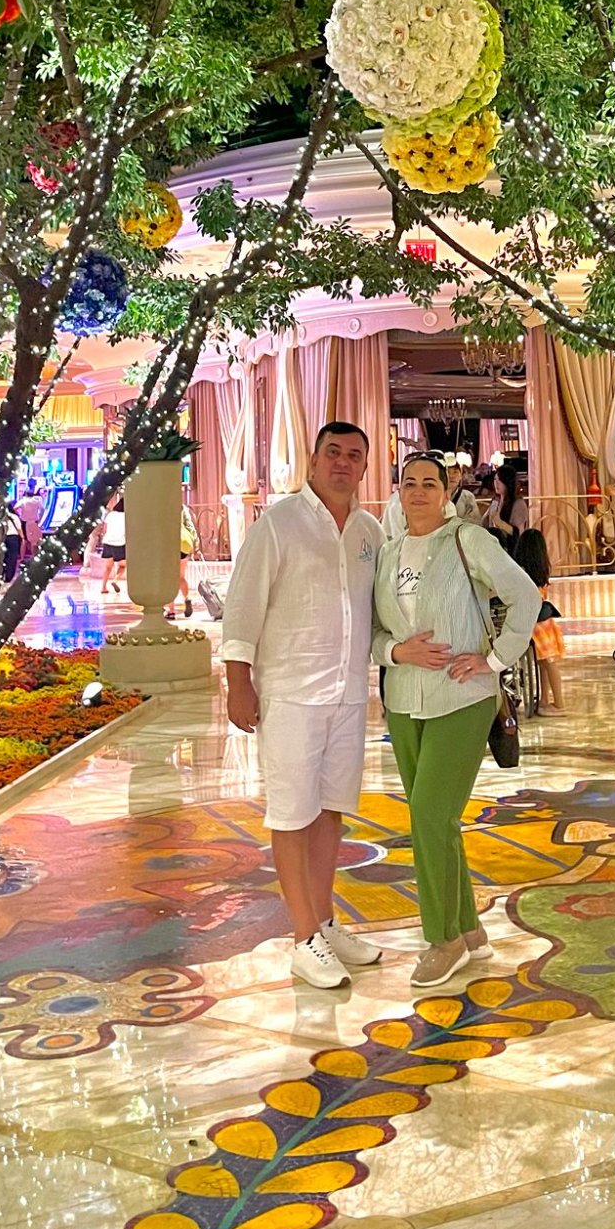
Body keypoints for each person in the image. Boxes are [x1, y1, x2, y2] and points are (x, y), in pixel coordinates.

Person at [222, 422, 385, 989]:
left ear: (365, 466)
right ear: (313, 461)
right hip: (290, 691)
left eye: (354, 455)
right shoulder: (279, 524)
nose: (343, 463)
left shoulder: (370, 532)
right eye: (332, 452)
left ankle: (325, 920)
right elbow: (243, 604)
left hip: (347, 692)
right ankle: (302, 937)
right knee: (292, 813)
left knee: (331, 810)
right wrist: (237, 680)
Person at [373, 451, 540, 991]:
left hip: (462, 698)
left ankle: (441, 939)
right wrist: (397, 652)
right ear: (397, 491)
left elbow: (525, 596)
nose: (418, 492)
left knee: (427, 813)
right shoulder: (388, 551)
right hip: (403, 699)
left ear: (447, 491)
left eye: (430, 483)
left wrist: (493, 660)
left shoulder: (470, 541)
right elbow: (373, 632)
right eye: (409, 483)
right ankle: (468, 931)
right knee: (436, 820)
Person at [514, 527, 565, 713]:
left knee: (548, 663)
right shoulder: (541, 571)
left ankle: (559, 704)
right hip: (547, 623)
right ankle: (545, 700)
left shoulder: (521, 573)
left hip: (536, 625)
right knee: (544, 663)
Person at [98, 495, 126, 594]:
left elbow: (104, 529)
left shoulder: (111, 515)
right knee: (123, 566)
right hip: (120, 543)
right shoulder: (127, 517)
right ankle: (115, 580)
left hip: (107, 542)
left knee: (107, 567)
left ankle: (103, 587)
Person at [15, 482, 45, 564]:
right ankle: (34, 556)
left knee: (24, 540)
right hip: (34, 521)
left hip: (24, 522)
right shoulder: (36, 501)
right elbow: (42, 509)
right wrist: (40, 518)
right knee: (34, 540)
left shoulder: (23, 501)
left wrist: (19, 515)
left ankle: (22, 557)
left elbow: (15, 508)